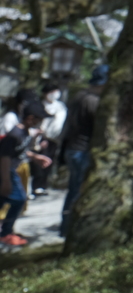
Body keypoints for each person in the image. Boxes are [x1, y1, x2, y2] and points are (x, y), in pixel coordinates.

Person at [60, 64, 106, 238]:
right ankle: (71, 228)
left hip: (71, 148)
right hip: (83, 150)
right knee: (79, 190)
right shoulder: (93, 101)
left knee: (73, 189)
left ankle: (65, 227)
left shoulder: (78, 97)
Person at [0, 100, 51, 247]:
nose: (41, 123)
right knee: (19, 199)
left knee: (4, 199)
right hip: (6, 171)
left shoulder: (25, 133)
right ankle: (5, 233)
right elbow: (4, 158)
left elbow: (20, 151)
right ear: (30, 118)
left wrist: (35, 157)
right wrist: (5, 180)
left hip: (10, 170)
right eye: (39, 119)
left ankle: (6, 231)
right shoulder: (14, 134)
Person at [30, 84, 66, 197]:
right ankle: (36, 186)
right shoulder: (40, 105)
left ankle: (43, 186)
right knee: (41, 162)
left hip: (55, 139)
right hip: (42, 138)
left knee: (50, 162)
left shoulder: (61, 106)